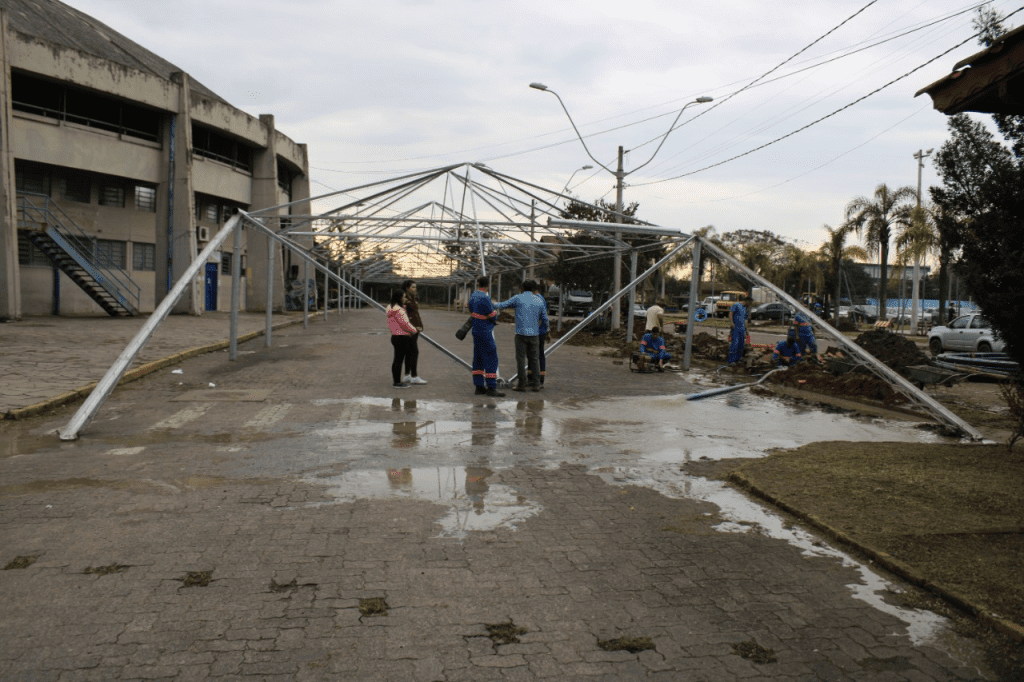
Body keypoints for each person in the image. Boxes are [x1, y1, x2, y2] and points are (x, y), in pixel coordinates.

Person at [494, 280, 549, 392]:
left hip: (520, 334)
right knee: (534, 359)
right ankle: (536, 384)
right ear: (533, 289)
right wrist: (546, 331)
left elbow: (502, 305)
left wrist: (492, 303)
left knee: (520, 359)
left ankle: (522, 384)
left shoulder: (518, 298)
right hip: (534, 334)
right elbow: (545, 318)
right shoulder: (539, 300)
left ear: (522, 288)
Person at [468, 276, 505, 397]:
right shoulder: (485, 297)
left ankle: (479, 387)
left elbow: (470, 309)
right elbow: (493, 315)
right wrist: (493, 315)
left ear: (478, 284)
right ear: (488, 285)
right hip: (485, 330)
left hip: (476, 330)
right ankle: (491, 387)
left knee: (478, 358)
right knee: (491, 357)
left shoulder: (473, 295)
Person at [386, 289, 418, 389]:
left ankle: (396, 381)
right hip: (402, 337)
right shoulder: (399, 310)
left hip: (395, 336)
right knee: (399, 360)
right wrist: (414, 330)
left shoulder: (390, 308)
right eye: (403, 297)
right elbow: (405, 324)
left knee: (397, 359)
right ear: (399, 298)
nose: (405, 299)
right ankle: (397, 383)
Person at [400, 279, 427, 384]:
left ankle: (407, 375)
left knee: (409, 352)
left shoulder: (412, 298)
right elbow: (403, 316)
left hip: (415, 329)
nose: (415, 289)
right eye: (413, 287)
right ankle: (414, 376)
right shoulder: (404, 300)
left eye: (416, 287)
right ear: (407, 288)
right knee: (414, 352)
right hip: (410, 330)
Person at [727, 294, 752, 364]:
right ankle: (731, 360)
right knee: (735, 343)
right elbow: (730, 313)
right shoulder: (736, 305)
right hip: (735, 328)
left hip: (742, 329)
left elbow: (744, 320)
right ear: (747, 301)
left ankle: (738, 359)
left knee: (741, 344)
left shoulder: (745, 309)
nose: (750, 305)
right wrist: (731, 323)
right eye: (750, 303)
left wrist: (746, 330)